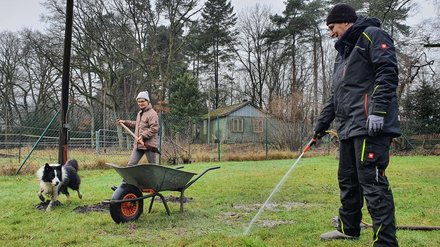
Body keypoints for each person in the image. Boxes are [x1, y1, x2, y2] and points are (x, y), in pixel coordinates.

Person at [314, 3, 400, 246]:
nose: (331, 32)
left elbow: (387, 72)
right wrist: (319, 126)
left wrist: (379, 111)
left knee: (372, 183)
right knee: (348, 180)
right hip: (348, 128)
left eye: (332, 27)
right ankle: (348, 228)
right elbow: (336, 96)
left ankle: (385, 241)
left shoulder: (372, 36)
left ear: (346, 22)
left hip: (370, 125)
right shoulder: (342, 54)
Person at [117, 91, 159, 165]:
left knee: (153, 166)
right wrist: (125, 122)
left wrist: (143, 136)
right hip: (138, 145)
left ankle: (157, 176)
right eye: (138, 102)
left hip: (149, 145)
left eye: (142, 101)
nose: (140, 103)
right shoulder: (139, 113)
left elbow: (154, 128)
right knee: (131, 165)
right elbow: (137, 125)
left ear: (148, 101)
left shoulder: (152, 114)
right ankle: (128, 177)